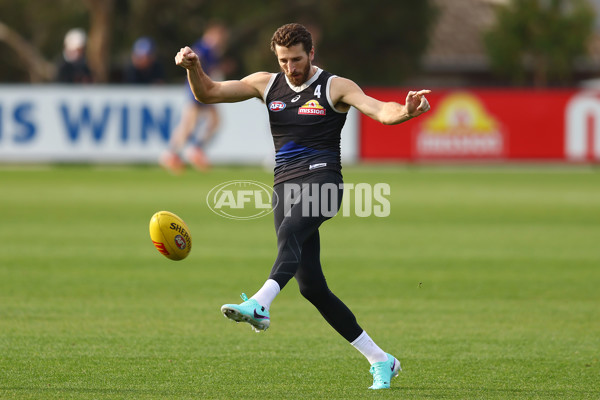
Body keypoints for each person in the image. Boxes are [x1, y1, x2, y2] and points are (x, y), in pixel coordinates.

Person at [175, 23, 431, 390]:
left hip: (324, 180)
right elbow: (209, 92)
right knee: (311, 286)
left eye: (297, 59)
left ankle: (261, 304)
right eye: (283, 60)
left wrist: (406, 111)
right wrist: (191, 68)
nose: (290, 67)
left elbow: (380, 110)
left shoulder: (334, 86)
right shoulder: (266, 84)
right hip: (285, 187)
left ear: (311, 54)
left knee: (291, 232)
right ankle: (381, 359)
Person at [160, 23, 230, 173]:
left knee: (213, 121)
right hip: (196, 90)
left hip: (205, 89)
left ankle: (193, 149)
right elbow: (195, 65)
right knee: (189, 123)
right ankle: (174, 153)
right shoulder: (202, 49)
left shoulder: (212, 51)